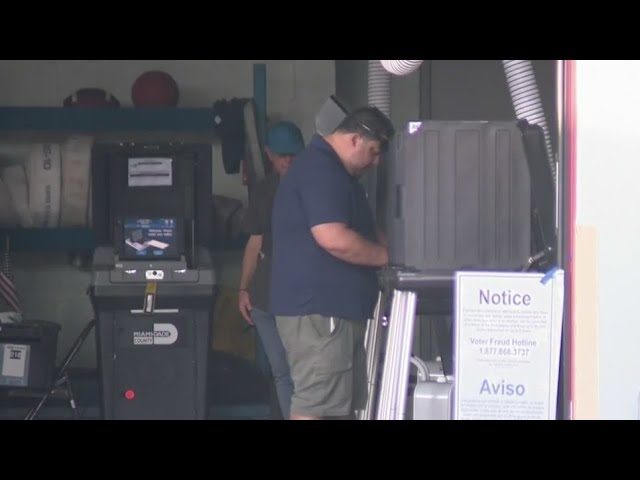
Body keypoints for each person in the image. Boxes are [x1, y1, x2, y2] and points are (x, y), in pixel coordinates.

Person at [269, 106, 395, 420]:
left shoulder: (340, 175)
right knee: (316, 405)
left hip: (333, 312)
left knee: (338, 407)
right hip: (320, 312)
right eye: (373, 151)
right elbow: (333, 237)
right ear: (354, 139)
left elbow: (364, 229)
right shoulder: (322, 171)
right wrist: (391, 259)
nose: (376, 161)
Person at [238, 120, 305, 420]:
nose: (287, 160)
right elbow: (255, 241)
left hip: (304, 297)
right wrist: (243, 288)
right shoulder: (263, 191)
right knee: (281, 372)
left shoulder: (313, 187)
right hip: (266, 296)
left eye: (292, 153)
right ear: (268, 152)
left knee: (305, 372)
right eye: (281, 154)